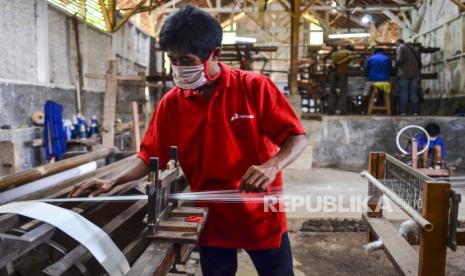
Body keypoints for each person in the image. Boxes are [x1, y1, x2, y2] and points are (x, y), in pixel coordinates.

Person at [70, 5, 308, 276]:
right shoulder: (172, 104)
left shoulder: (254, 88)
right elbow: (149, 156)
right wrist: (112, 181)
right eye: (173, 60)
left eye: (187, 60)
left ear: (214, 54)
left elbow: (297, 138)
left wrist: (272, 166)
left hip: (261, 212)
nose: (179, 69)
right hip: (210, 217)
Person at [396, 39, 421, 115]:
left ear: (398, 43)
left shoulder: (400, 47)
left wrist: (395, 63)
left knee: (404, 92)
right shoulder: (414, 49)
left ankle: (403, 111)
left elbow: (399, 60)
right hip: (414, 74)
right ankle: (415, 111)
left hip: (404, 73)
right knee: (413, 93)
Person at [329, 44, 355, 115]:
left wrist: (336, 64)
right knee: (343, 92)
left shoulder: (337, 52)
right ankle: (342, 110)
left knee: (332, 91)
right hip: (342, 73)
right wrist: (340, 64)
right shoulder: (349, 52)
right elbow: (351, 57)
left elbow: (331, 60)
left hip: (333, 72)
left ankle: (330, 110)